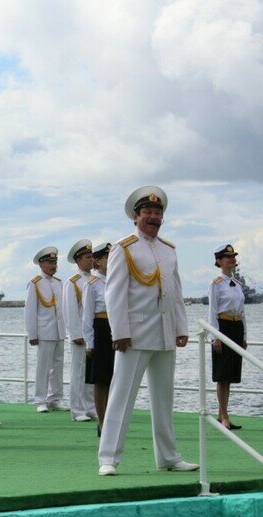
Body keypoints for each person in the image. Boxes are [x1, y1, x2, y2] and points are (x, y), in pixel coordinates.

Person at [98, 185, 198, 476]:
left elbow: (175, 292)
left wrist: (181, 327)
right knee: (122, 396)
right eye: (147, 212)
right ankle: (108, 458)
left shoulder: (168, 250)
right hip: (135, 335)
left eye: (158, 213)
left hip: (165, 332)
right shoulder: (124, 248)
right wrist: (119, 332)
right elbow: (114, 294)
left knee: (164, 398)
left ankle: (168, 456)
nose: (153, 217)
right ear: (136, 216)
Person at [208, 244, 247, 430]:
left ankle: (223, 413)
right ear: (219, 261)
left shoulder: (238, 285)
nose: (232, 259)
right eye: (227, 256)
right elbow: (212, 311)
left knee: (230, 374)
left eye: (233, 256)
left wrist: (245, 335)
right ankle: (224, 415)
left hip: (236, 327)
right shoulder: (215, 284)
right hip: (222, 328)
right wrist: (214, 336)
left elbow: (243, 312)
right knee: (222, 375)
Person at [24, 246, 67, 413]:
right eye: (49, 262)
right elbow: (30, 311)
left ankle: (55, 398)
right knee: (43, 366)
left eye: (54, 262)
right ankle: (40, 399)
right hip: (44, 332)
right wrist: (32, 334)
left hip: (58, 331)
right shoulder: (35, 283)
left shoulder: (58, 283)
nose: (53, 266)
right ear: (41, 264)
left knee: (58, 365)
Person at [81, 242, 113, 436]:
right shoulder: (92, 284)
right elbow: (87, 315)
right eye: (108, 258)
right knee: (101, 380)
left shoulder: (118, 280)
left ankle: (111, 419)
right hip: (100, 330)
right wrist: (89, 342)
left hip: (115, 330)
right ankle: (102, 422)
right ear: (98, 261)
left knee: (114, 379)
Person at [63, 239, 97, 422]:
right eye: (87, 257)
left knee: (91, 374)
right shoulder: (73, 282)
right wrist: (76, 334)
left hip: (93, 334)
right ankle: (77, 410)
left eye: (92, 257)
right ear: (78, 260)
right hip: (80, 336)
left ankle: (91, 407)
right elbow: (70, 311)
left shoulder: (95, 280)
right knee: (78, 373)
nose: (91, 260)